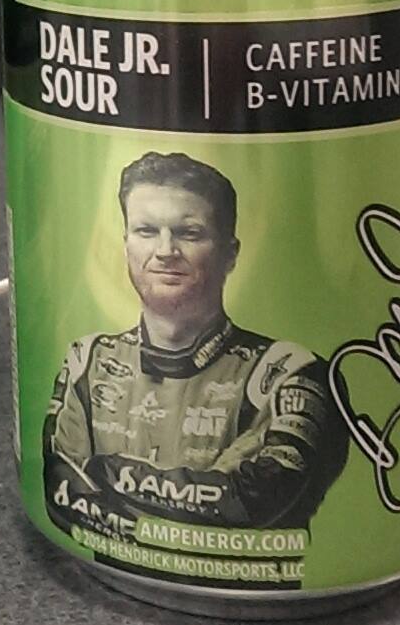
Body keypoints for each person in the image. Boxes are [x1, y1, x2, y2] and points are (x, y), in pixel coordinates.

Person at [44, 151, 347, 540]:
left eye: (189, 233)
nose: (165, 251)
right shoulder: (88, 362)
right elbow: (60, 485)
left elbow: (256, 497)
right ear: (125, 245)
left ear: (230, 254)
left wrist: (109, 473)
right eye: (146, 231)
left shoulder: (286, 373)